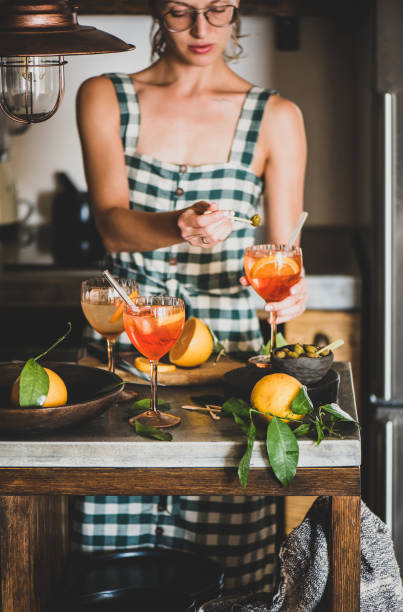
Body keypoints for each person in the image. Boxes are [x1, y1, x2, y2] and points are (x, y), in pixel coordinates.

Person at [71, 0, 307, 595]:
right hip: (123, 353)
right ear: (156, 11)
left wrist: (291, 295)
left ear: (236, 11)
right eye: (180, 12)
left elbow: (283, 251)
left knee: (227, 578)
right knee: (104, 565)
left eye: (217, 9)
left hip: (226, 367)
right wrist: (177, 224)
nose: (201, 29)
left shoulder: (276, 116)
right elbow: (110, 223)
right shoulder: (104, 95)